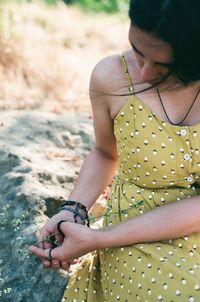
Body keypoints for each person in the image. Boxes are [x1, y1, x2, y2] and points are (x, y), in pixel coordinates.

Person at [29, 0, 200, 301]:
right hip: (134, 238)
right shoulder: (110, 76)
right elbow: (105, 153)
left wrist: (97, 239)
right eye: (137, 50)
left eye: (163, 66)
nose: (145, 73)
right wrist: (74, 211)